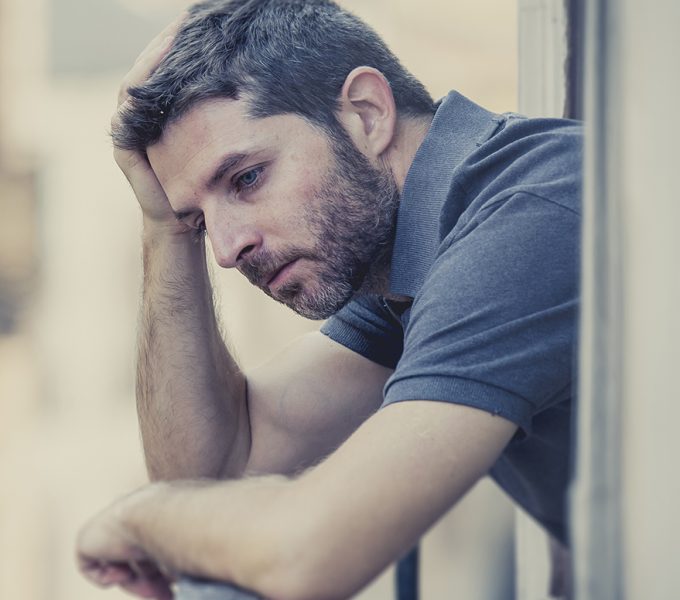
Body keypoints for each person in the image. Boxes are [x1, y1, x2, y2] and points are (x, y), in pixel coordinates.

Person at [76, 1, 581, 598]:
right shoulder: (410, 259)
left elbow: (305, 557)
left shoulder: (527, 216)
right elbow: (214, 473)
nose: (227, 250)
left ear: (367, 115)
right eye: (202, 223)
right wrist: (164, 226)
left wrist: (140, 517)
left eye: (247, 178)